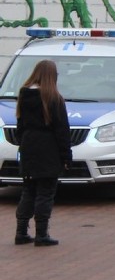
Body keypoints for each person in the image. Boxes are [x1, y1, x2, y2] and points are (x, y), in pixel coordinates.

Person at [14, 60, 72, 247]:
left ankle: (21, 232)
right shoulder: (54, 98)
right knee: (45, 193)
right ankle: (41, 234)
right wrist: (66, 156)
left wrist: (23, 144)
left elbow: (20, 126)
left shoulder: (24, 94)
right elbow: (62, 131)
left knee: (28, 191)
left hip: (29, 147)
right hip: (49, 150)